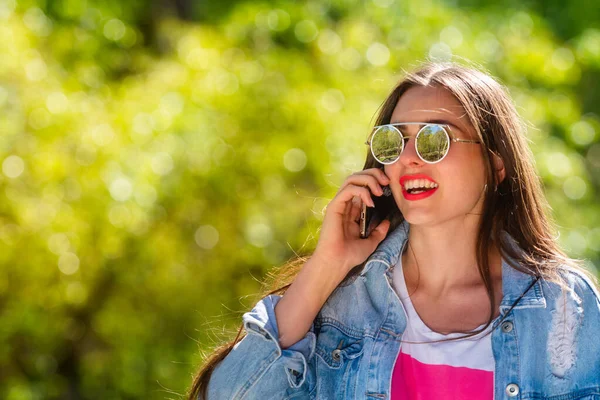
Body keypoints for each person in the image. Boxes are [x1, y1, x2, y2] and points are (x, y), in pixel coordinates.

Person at [188, 62, 600, 400]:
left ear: (496, 164)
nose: (409, 159)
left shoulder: (565, 306)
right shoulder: (342, 303)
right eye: (394, 141)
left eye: (435, 139)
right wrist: (326, 265)